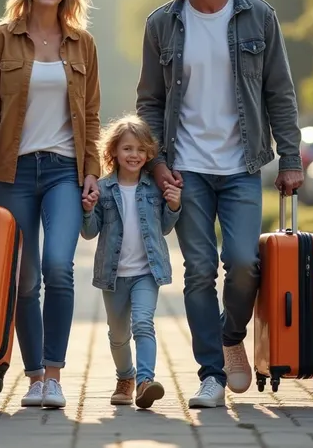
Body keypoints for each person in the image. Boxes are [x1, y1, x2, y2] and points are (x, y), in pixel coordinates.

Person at [136, 0, 304, 408]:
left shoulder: (259, 17)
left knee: (244, 263)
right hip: (186, 168)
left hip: (241, 166)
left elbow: (281, 94)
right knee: (198, 270)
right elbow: (149, 100)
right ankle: (210, 373)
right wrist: (157, 161)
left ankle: (232, 337)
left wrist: (291, 159)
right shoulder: (162, 23)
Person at [0, 0, 101, 409]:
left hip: (64, 170)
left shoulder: (82, 43)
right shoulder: (2, 39)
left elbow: (93, 115)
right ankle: (35, 376)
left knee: (58, 268)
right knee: (24, 279)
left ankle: (57, 374)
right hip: (14, 172)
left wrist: (92, 172)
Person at [81, 114, 182, 409]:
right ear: (113, 151)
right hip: (113, 276)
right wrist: (87, 210)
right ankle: (125, 377)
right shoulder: (103, 189)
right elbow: (89, 233)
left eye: (140, 149)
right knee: (118, 335)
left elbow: (164, 226)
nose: (134, 155)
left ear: (149, 153)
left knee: (143, 324)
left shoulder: (153, 188)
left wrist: (174, 205)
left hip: (146, 272)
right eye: (127, 148)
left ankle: (145, 382)